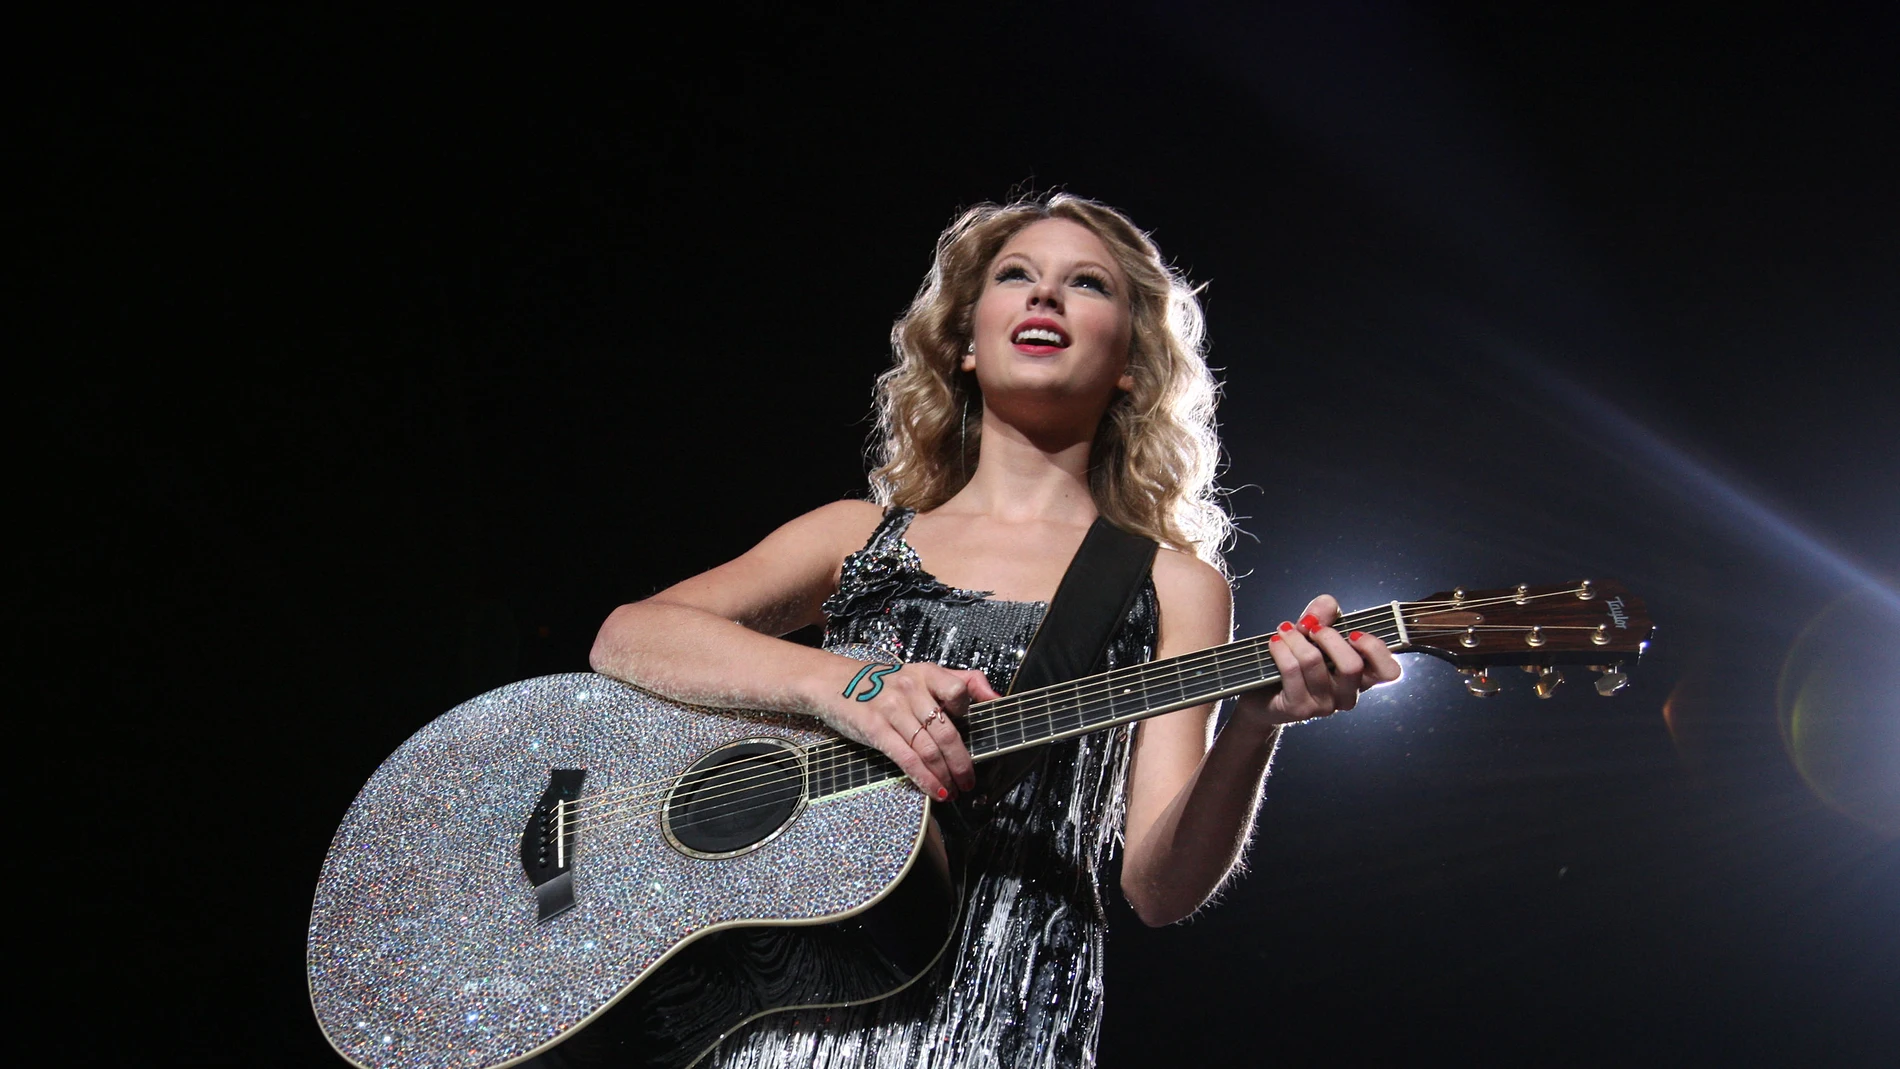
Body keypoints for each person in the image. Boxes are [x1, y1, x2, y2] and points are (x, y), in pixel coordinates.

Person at [589, 193, 1402, 1068]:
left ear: (1130, 365)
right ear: (968, 345)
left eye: (1087, 284)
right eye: (1017, 275)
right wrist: (848, 686)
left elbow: (1158, 888)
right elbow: (629, 637)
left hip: (1007, 1010)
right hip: (799, 1000)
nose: (1045, 294)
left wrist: (1254, 726)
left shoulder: (1176, 585)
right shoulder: (854, 534)